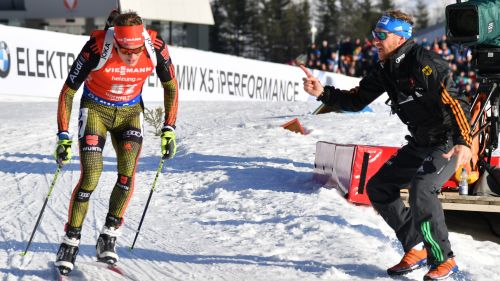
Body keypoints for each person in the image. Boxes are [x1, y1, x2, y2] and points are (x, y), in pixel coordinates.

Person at [301, 10, 472, 281]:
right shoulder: (385, 68)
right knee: (379, 187)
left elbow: (456, 102)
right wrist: (323, 93)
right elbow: (357, 100)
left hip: (449, 141)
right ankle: (415, 246)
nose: (375, 41)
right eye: (374, 35)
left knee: (422, 189)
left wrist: (465, 141)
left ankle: (443, 259)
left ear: (400, 37)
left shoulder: (425, 63)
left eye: (381, 35)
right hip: (421, 141)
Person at [53, 10, 178, 275]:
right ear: (116, 41)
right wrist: (62, 135)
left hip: (130, 114)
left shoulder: (154, 47)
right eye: (125, 51)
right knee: (91, 176)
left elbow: (171, 86)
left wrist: (169, 128)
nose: (132, 57)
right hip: (96, 110)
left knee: (127, 173)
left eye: (135, 52)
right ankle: (70, 241)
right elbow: (68, 90)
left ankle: (109, 234)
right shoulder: (97, 47)